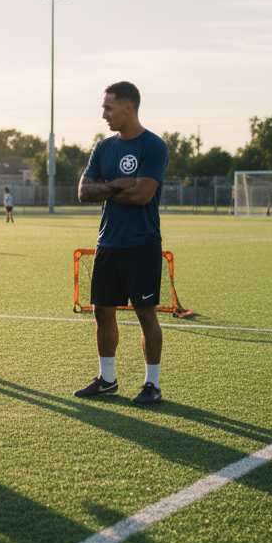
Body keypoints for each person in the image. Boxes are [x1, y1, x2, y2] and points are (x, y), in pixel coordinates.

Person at [75, 81, 169, 404]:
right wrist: (117, 185)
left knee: (146, 315)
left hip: (142, 243)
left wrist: (106, 188)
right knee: (102, 312)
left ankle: (152, 385)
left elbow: (143, 195)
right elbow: (83, 193)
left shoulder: (154, 146)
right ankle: (107, 379)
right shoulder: (103, 148)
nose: (104, 114)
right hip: (107, 243)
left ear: (128, 108)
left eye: (108, 107)